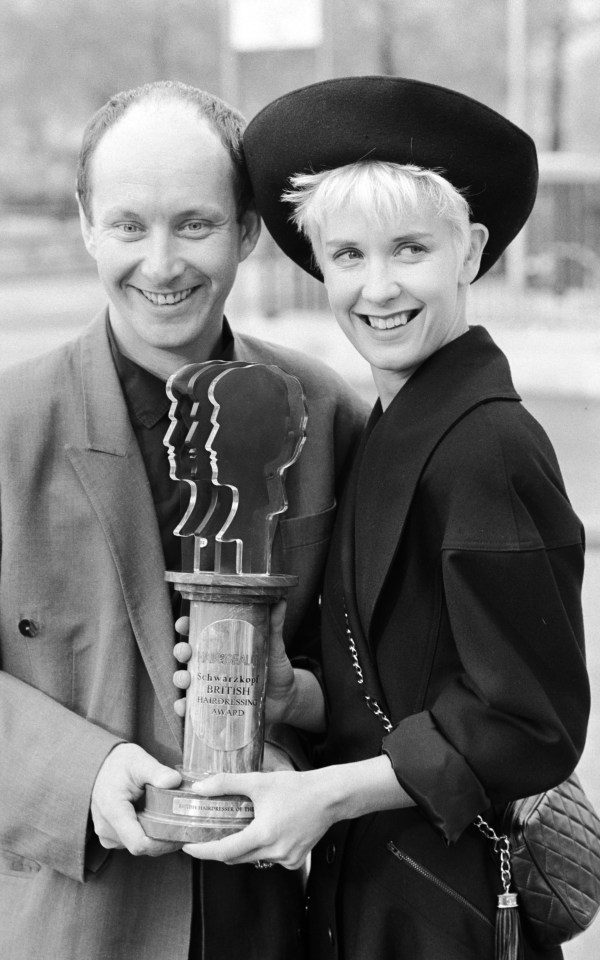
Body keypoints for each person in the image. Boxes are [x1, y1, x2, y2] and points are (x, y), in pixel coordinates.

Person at [174, 77, 590, 960]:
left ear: (470, 251)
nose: (377, 286)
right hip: (369, 892)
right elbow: (399, 688)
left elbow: (530, 722)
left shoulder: (491, 446)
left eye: (409, 249)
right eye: (349, 255)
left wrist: (324, 796)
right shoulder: (387, 429)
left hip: (447, 906)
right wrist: (299, 696)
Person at [0, 80, 367, 960]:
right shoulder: (7, 429)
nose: (161, 263)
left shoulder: (326, 414)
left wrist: (300, 744)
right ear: (87, 224)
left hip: (276, 921)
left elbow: (384, 662)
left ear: (246, 232)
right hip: (71, 923)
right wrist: (78, 772)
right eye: (129, 225)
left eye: (195, 225)